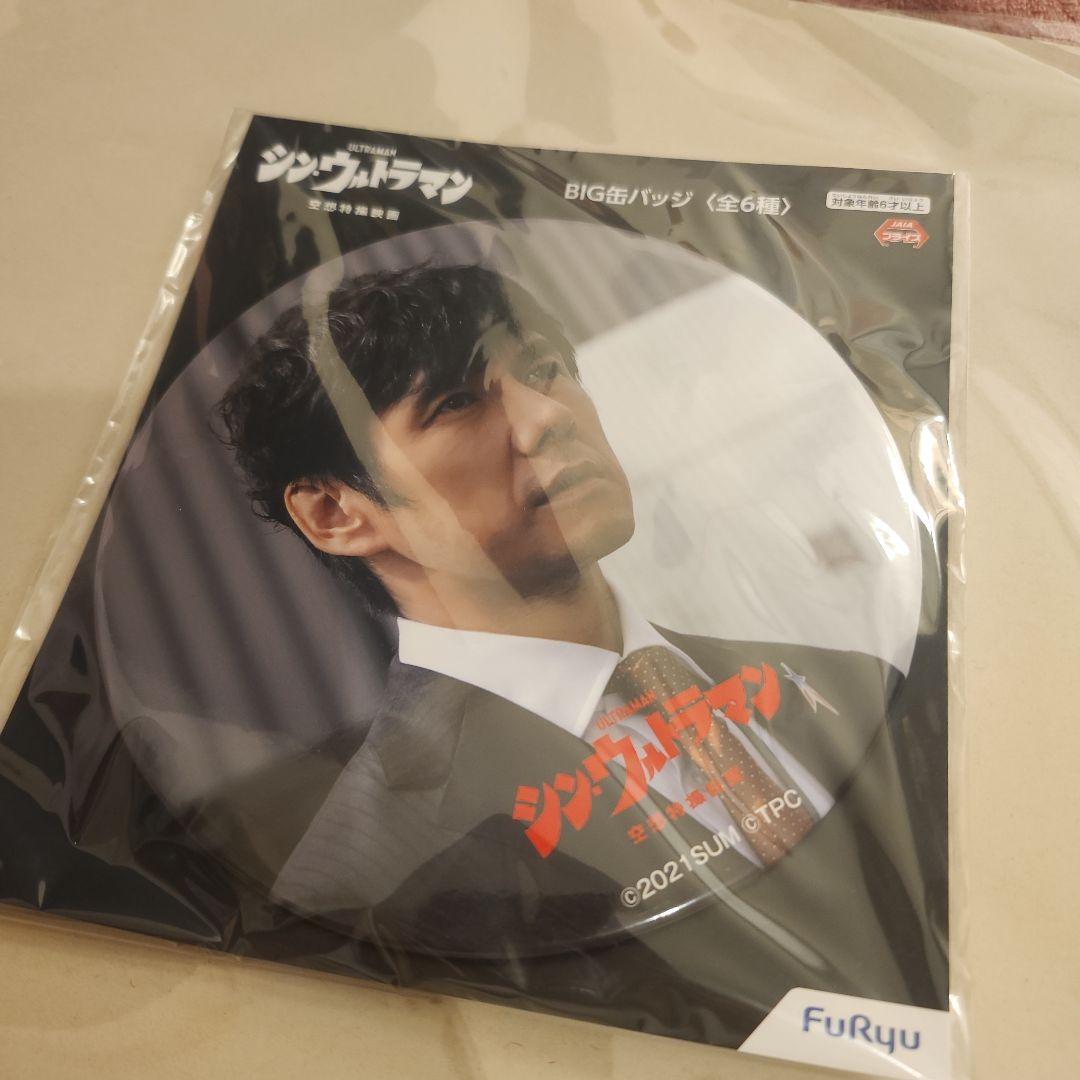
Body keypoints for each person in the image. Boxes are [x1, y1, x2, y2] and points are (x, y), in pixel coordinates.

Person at [206, 263, 946, 1047]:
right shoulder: (358, 876)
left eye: (544, 368)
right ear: (336, 513)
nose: (546, 416)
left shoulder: (853, 677)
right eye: (455, 402)